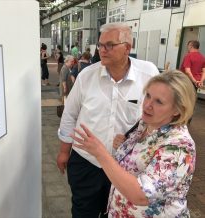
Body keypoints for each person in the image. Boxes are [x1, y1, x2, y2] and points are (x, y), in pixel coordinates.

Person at [57, 22, 159, 218]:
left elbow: (159, 115)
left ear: (128, 47)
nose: (102, 50)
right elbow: (70, 114)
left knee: (117, 213)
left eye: (109, 45)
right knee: (82, 212)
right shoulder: (86, 76)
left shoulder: (148, 75)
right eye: (100, 45)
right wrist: (63, 152)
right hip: (87, 162)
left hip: (127, 166)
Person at [71, 70, 196, 217]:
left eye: (159, 101)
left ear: (177, 110)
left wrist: (101, 153)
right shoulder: (145, 124)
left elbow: (141, 195)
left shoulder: (179, 146)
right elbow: (138, 158)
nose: (148, 105)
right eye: (148, 95)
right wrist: (123, 146)